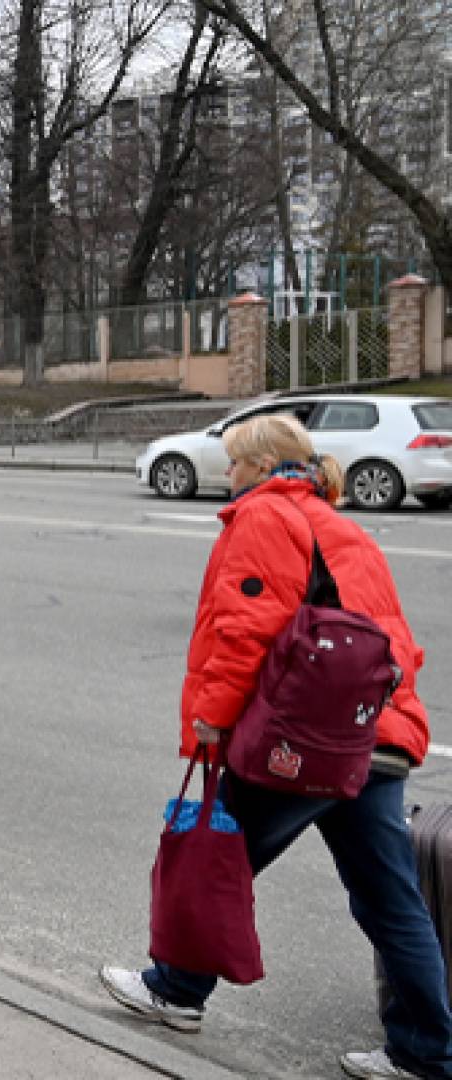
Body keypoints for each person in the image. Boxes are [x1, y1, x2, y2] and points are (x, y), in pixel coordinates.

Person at [101, 414, 445, 1080]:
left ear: (261, 466)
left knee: (215, 857)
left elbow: (247, 633)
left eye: (234, 462)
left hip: (305, 745)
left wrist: (212, 720)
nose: (228, 474)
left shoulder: (264, 518)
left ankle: (174, 990)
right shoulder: (343, 528)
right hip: (373, 738)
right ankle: (426, 1052)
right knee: (390, 898)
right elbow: (395, 639)